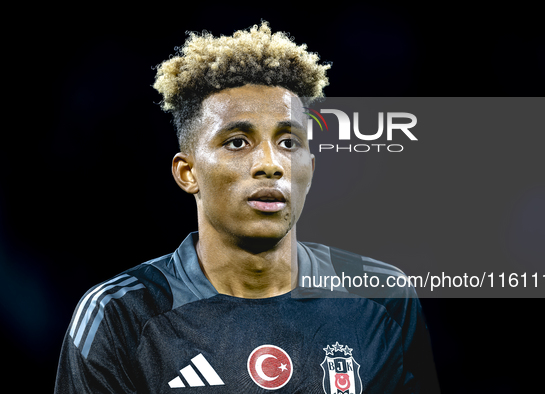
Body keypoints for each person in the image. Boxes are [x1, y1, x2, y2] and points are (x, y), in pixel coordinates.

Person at [54, 22, 439, 393]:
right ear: (187, 173)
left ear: (311, 168)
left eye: (289, 142)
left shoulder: (383, 296)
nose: (270, 164)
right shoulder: (119, 314)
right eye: (238, 142)